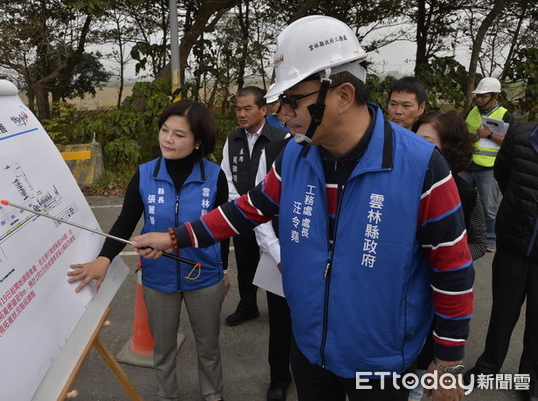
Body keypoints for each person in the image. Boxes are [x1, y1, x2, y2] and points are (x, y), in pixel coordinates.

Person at [131, 16, 474, 401]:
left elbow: (453, 269)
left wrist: (448, 363)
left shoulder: (422, 167)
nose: (282, 113)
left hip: (380, 361)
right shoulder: (295, 154)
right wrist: (176, 237)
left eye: (292, 100)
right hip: (310, 347)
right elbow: (249, 208)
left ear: (342, 95)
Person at [67, 99, 230, 401]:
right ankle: (167, 396)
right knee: (163, 348)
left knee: (208, 345)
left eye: (179, 134)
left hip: (204, 275)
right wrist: (104, 258)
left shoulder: (214, 176)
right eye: (165, 130)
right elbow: (124, 222)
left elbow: (221, 228)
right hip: (157, 277)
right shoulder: (144, 174)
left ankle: (212, 393)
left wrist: (223, 270)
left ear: (198, 141)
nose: (168, 139)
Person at [408, 111, 487, 401]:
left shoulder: (465, 193)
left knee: (423, 364)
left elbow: (480, 242)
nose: (416, 148)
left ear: (450, 150)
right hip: (400, 294)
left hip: (439, 292)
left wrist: (448, 256)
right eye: (413, 140)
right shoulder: (399, 184)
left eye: (427, 142)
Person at [465, 121, 538, 401]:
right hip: (513, 243)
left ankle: (530, 377)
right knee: (503, 310)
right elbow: (503, 175)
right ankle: (488, 366)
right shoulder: (520, 135)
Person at [220, 86, 287, 326]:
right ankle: (247, 306)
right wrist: (240, 204)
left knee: (272, 258)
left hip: (271, 213)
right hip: (242, 210)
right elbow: (225, 174)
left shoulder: (280, 139)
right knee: (245, 260)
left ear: (264, 109)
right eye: (238, 109)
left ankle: (279, 310)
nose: (241, 114)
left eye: (248, 108)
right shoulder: (233, 139)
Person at [254, 116, 293, 401]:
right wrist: (277, 252)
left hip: (326, 260)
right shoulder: (272, 152)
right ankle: (279, 379)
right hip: (280, 257)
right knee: (280, 323)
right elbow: (258, 206)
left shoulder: (339, 152)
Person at [460, 77, 515, 253]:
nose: (479, 99)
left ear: (495, 96)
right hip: (468, 166)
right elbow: (466, 134)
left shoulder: (505, 115)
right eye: (478, 96)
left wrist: (489, 135)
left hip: (489, 169)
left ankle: (490, 238)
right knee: (461, 201)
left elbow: (511, 142)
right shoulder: (473, 112)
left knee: (489, 207)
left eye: (484, 96)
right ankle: (464, 236)